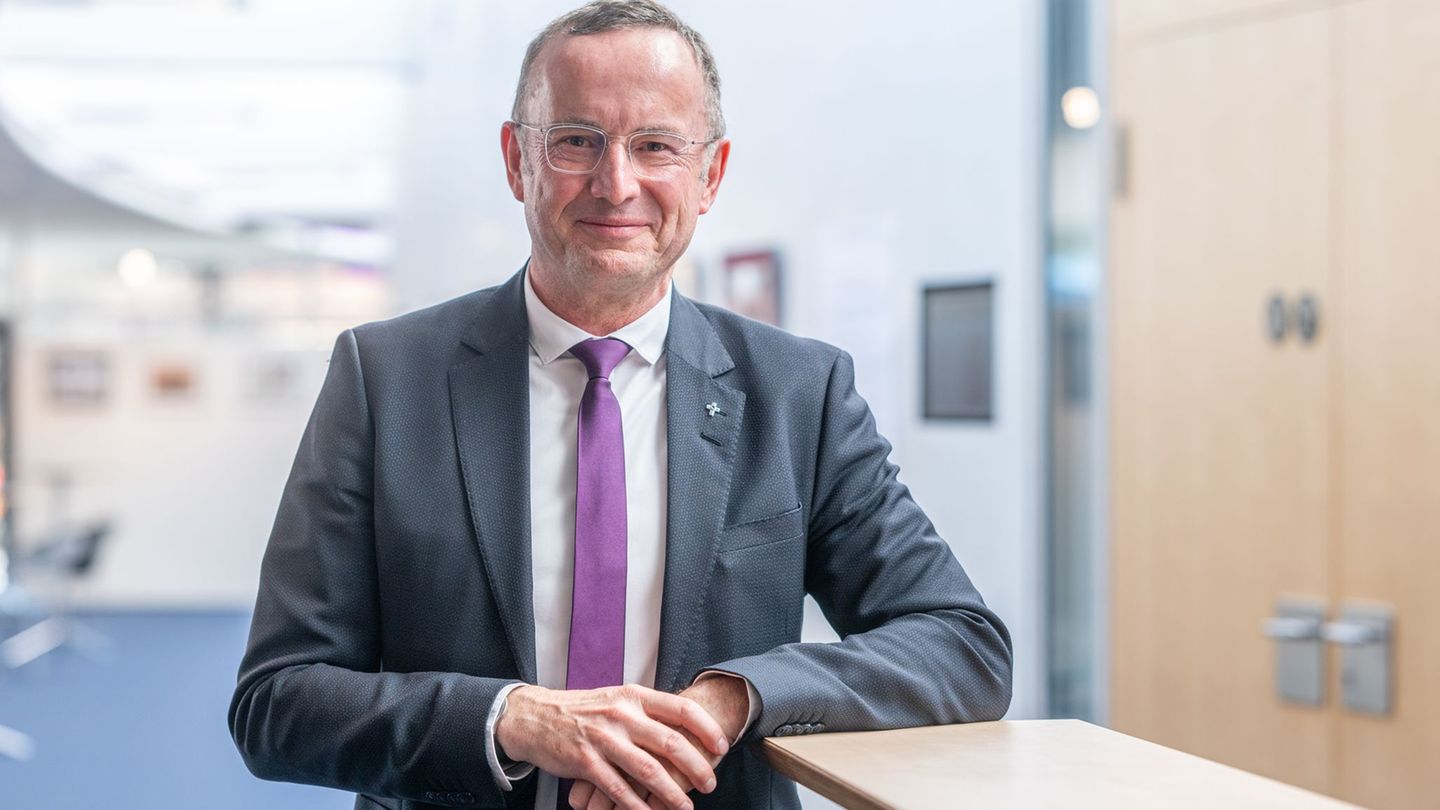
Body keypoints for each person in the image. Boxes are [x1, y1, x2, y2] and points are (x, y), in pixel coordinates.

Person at [228, 2, 1013, 809]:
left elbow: (963, 647)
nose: (617, 183)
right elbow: (276, 703)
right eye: (577, 141)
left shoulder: (798, 395)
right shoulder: (385, 379)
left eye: (657, 146)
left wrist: (734, 698)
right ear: (515, 160)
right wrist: (511, 719)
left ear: (710, 174)